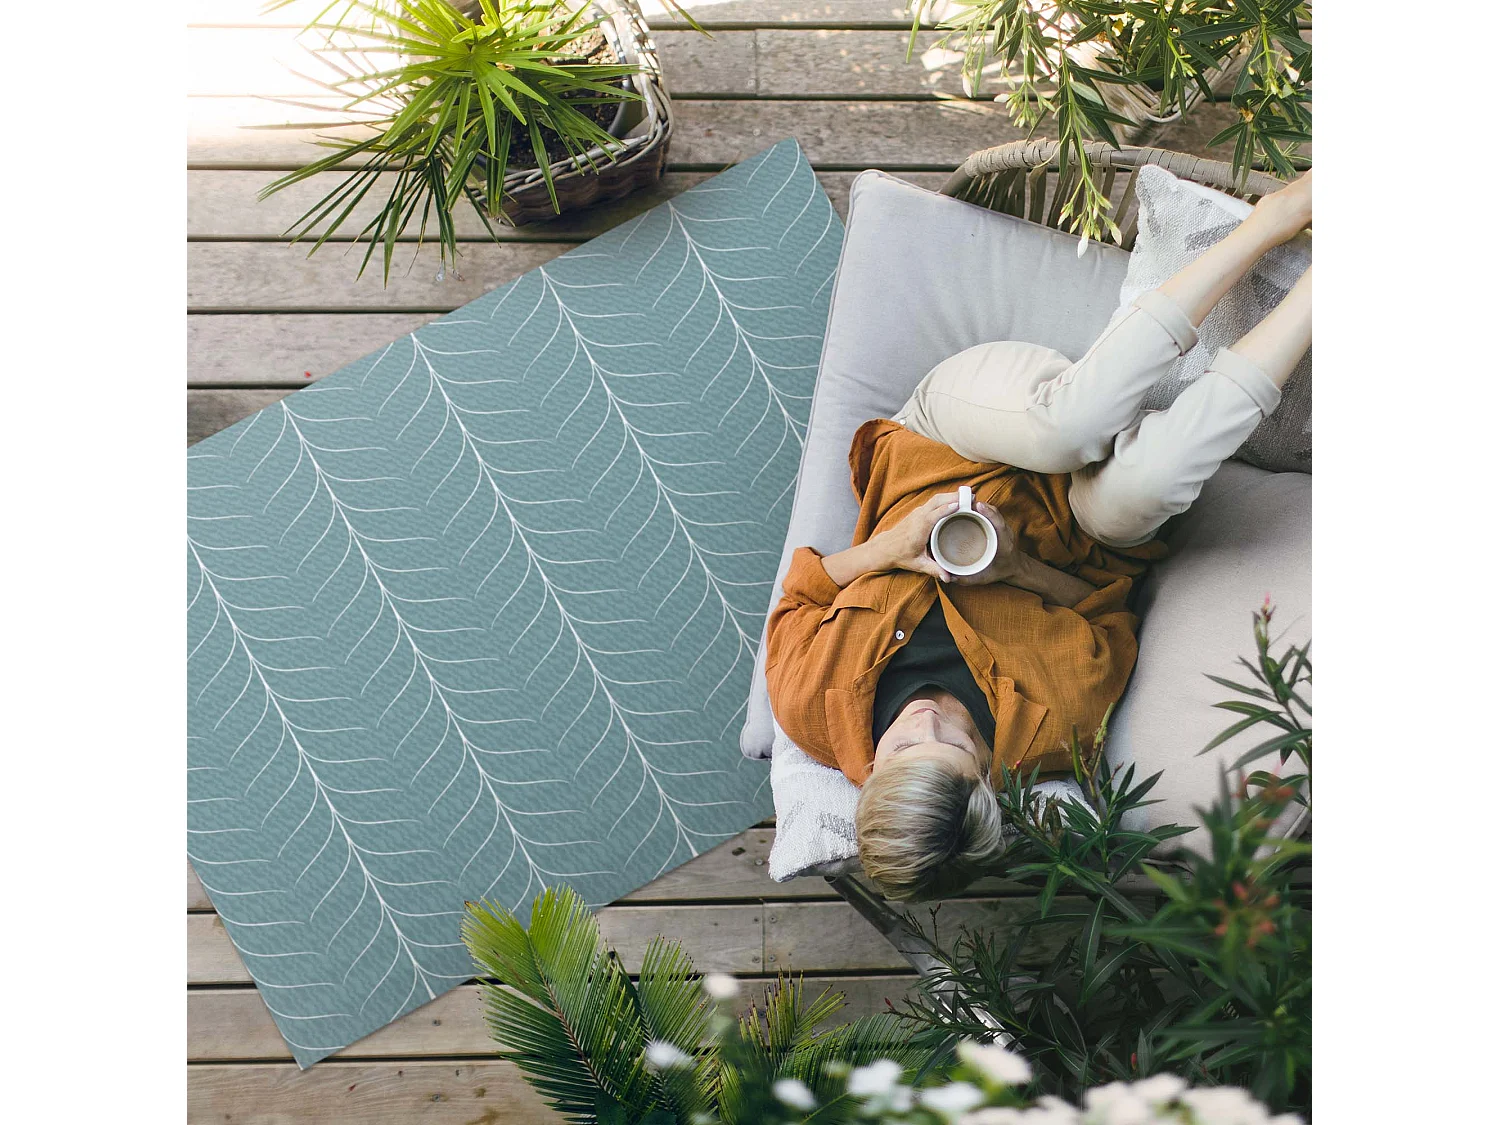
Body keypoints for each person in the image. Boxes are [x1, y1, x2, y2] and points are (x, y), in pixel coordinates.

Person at [764, 170, 1313, 901]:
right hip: (1075, 531)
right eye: (955, 744)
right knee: (1148, 485)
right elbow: (1109, 615)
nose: (925, 720)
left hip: (948, 439)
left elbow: (805, 589)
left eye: (900, 746)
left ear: (866, 775)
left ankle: (1272, 220)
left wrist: (892, 547)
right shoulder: (1051, 736)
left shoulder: (812, 703)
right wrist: (1020, 570)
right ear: (987, 778)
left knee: (1066, 429)